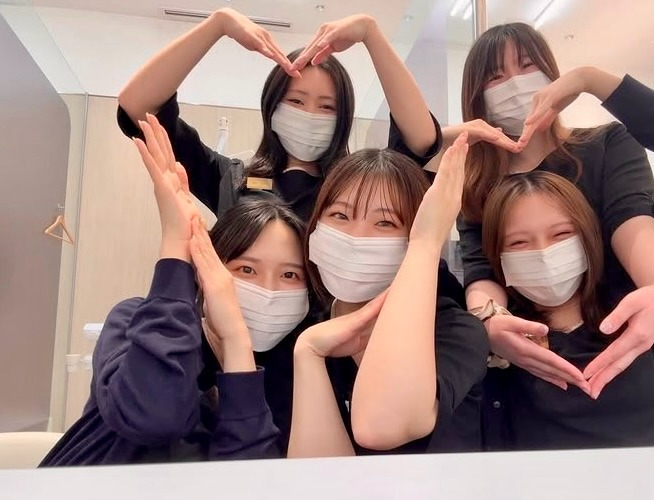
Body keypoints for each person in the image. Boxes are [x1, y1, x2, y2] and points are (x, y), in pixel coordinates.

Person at [41, 118, 313, 465]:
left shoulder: (292, 373)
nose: (268, 290)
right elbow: (154, 416)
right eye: (246, 269)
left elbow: (247, 481)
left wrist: (237, 344)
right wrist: (175, 245)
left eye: (290, 275)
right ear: (207, 268)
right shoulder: (134, 321)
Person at [442, 22, 654, 398]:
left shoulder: (606, 146)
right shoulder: (476, 187)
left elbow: (631, 216)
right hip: (533, 357)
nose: (514, 84)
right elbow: (481, 271)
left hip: (620, 339)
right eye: (495, 76)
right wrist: (488, 319)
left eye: (526, 65)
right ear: (477, 96)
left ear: (550, 74)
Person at [479, 71, 654, 449]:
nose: (544, 253)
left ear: (588, 235)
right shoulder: (504, 348)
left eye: (561, 234)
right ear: (497, 256)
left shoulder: (647, 296)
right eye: (519, 242)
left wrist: (593, 80)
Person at [117, 8, 441, 221]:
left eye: (327, 106)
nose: (310, 115)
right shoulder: (231, 180)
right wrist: (218, 24)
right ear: (272, 107)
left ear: (342, 118)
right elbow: (138, 109)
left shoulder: (359, 184)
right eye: (296, 101)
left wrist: (372, 34)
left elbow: (422, 140)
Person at [288, 135, 490, 457]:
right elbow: (318, 477)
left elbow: (380, 426)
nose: (356, 237)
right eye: (340, 215)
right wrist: (308, 353)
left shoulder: (456, 332)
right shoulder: (305, 330)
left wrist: (427, 243)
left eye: (385, 222)